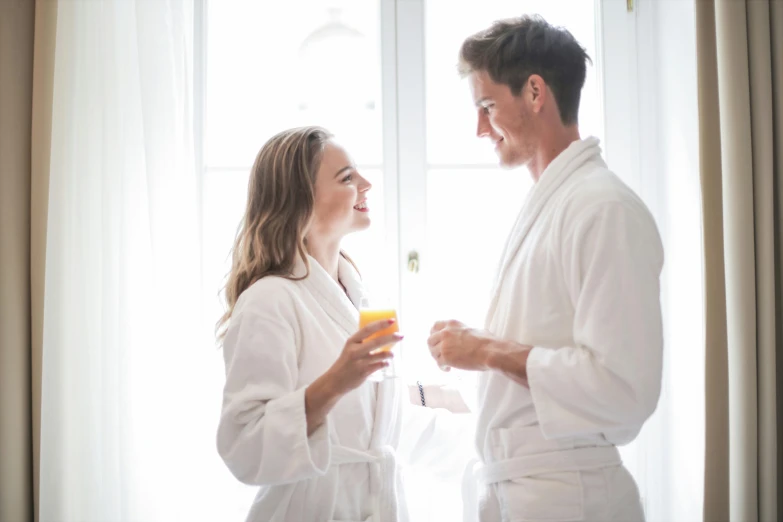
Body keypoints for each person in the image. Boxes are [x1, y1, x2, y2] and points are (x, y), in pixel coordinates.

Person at [426, 15, 664, 522]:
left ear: (535, 92)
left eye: (487, 106)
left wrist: (486, 349)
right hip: (526, 491)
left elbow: (623, 390)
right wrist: (466, 357)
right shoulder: (554, 206)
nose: (478, 129)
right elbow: (537, 371)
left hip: (569, 498)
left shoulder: (603, 209)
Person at [216, 126, 473, 522]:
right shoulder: (267, 302)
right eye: (348, 178)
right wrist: (336, 380)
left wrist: (493, 449)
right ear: (301, 199)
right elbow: (244, 446)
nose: (366, 184)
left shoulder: (361, 299)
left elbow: (387, 427)